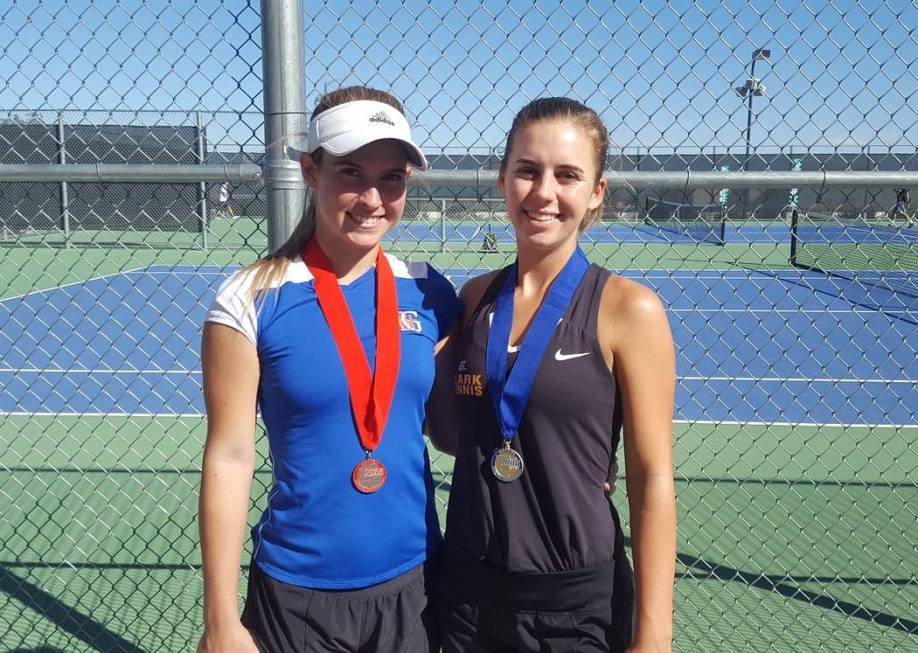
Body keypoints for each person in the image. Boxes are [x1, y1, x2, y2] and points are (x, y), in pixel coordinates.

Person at [197, 86, 461, 653]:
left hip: (415, 581)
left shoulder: (430, 292)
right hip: (297, 595)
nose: (372, 197)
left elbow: (452, 430)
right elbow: (229, 456)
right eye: (351, 172)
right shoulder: (249, 299)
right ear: (311, 170)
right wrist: (220, 618)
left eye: (392, 178)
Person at [431, 97, 677, 652]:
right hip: (467, 593)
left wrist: (654, 633)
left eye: (567, 175)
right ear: (502, 180)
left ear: (595, 193)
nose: (543, 192)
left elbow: (651, 476)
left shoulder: (628, 309)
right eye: (527, 171)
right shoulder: (474, 299)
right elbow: (453, 435)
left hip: (573, 605)